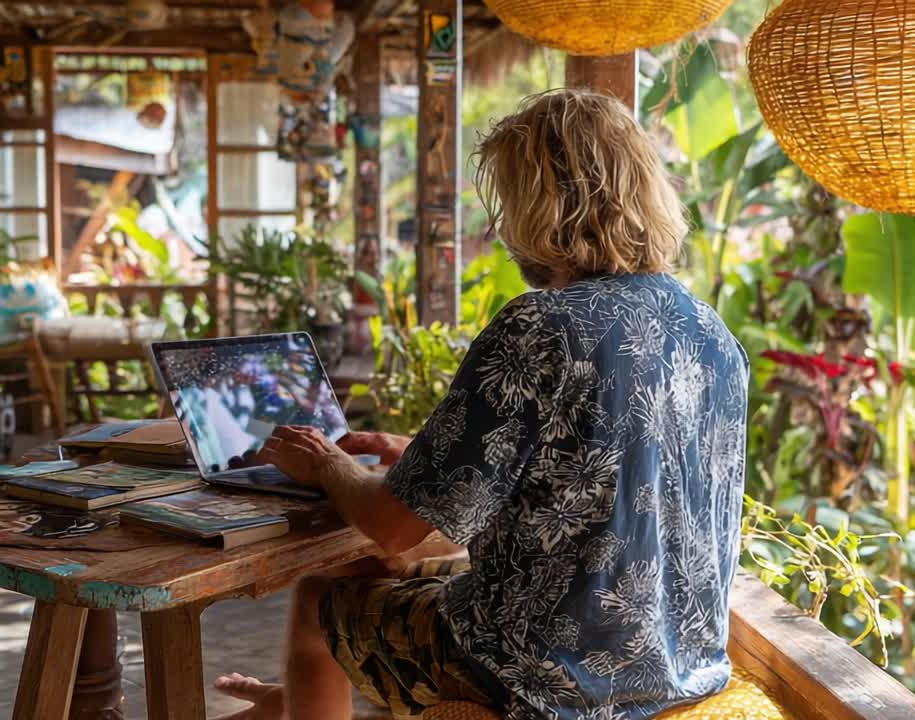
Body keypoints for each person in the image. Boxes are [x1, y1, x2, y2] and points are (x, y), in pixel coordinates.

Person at [212, 88, 750, 720]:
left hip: (541, 678)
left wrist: (327, 466)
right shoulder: (712, 332)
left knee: (318, 600)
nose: (499, 227)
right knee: (380, 568)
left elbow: (394, 526)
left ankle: (295, 705)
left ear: (542, 205)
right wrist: (418, 458)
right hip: (682, 667)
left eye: (509, 201)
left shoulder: (540, 326)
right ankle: (294, 703)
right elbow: (600, 466)